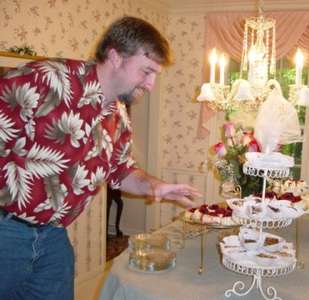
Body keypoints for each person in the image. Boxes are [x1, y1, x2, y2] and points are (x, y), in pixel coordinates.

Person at [0, 16, 201, 300]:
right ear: (116, 56)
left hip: (52, 237)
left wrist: (157, 186)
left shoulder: (119, 118)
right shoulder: (46, 80)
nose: (151, 84)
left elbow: (121, 172)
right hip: (6, 230)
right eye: (146, 71)